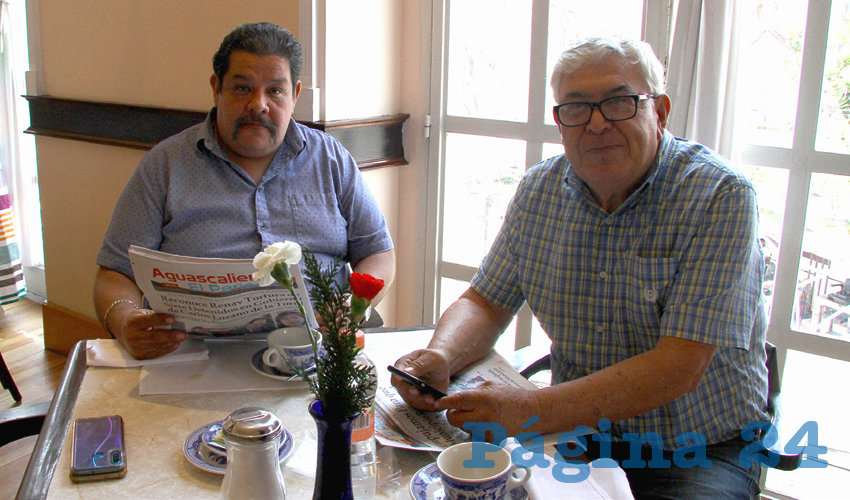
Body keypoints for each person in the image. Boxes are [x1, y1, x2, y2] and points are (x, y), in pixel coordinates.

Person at [392, 36, 768, 499]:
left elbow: (679, 367)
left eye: (618, 102)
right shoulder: (538, 190)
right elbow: (486, 301)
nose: (596, 124)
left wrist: (528, 409)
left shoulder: (720, 196)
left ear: (661, 111)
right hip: (572, 435)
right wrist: (442, 356)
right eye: (576, 108)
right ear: (560, 121)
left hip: (697, 448)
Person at [95, 22, 395, 360]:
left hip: (319, 352)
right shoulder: (165, 165)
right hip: (195, 357)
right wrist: (124, 322)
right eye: (242, 88)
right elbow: (115, 272)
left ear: (294, 95)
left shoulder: (331, 159)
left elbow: (379, 253)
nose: (258, 105)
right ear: (216, 88)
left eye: (275, 91)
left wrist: (354, 304)